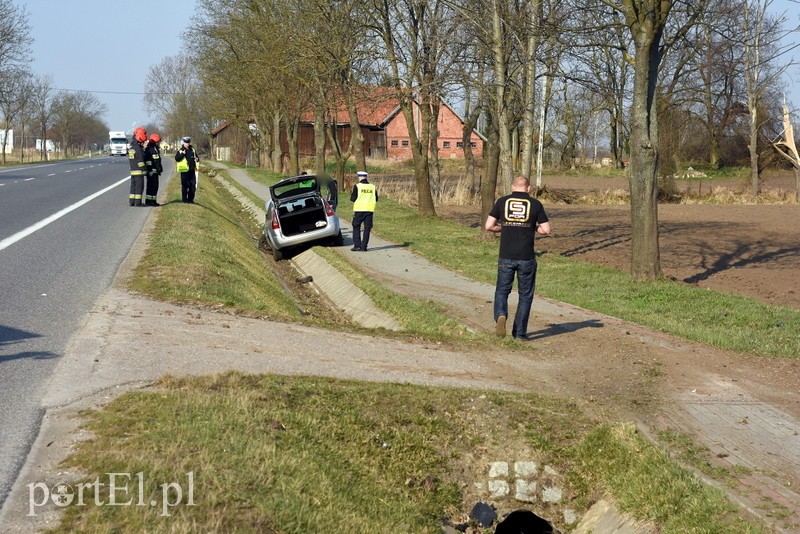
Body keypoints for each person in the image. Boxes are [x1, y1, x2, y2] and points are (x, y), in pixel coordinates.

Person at [484, 175, 551, 339]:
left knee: (502, 290)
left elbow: (489, 226)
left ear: (512, 187)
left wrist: (503, 228)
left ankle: (501, 314)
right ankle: (519, 334)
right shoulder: (535, 204)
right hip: (526, 257)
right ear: (529, 188)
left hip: (506, 255)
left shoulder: (502, 202)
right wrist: (533, 227)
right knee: (525, 295)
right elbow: (546, 230)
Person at [349, 170, 377, 251]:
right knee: (367, 228)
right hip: (369, 210)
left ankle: (357, 245)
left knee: (356, 226)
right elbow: (376, 198)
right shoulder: (372, 187)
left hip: (359, 210)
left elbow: (352, 198)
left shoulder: (357, 186)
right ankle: (364, 247)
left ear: (360, 177)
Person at [175, 136, 199, 203]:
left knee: (192, 186)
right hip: (184, 171)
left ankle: (190, 200)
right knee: (185, 186)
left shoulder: (192, 149)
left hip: (192, 170)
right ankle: (184, 200)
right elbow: (177, 158)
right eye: (186, 142)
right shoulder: (181, 150)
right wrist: (182, 154)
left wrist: (197, 159)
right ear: (183, 143)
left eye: (188, 142)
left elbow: (197, 158)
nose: (187, 144)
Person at [127, 127, 148, 206]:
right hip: (139, 171)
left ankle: (132, 202)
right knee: (139, 187)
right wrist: (145, 171)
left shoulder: (132, 148)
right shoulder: (138, 149)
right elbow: (140, 162)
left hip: (133, 171)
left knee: (133, 187)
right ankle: (138, 202)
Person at [144, 133, 163, 206]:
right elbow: (148, 161)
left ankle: (153, 201)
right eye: (158, 141)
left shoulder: (155, 149)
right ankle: (149, 201)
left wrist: (159, 169)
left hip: (155, 172)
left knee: (155, 187)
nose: (159, 143)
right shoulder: (149, 149)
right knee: (150, 187)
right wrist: (150, 170)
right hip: (151, 172)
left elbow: (157, 161)